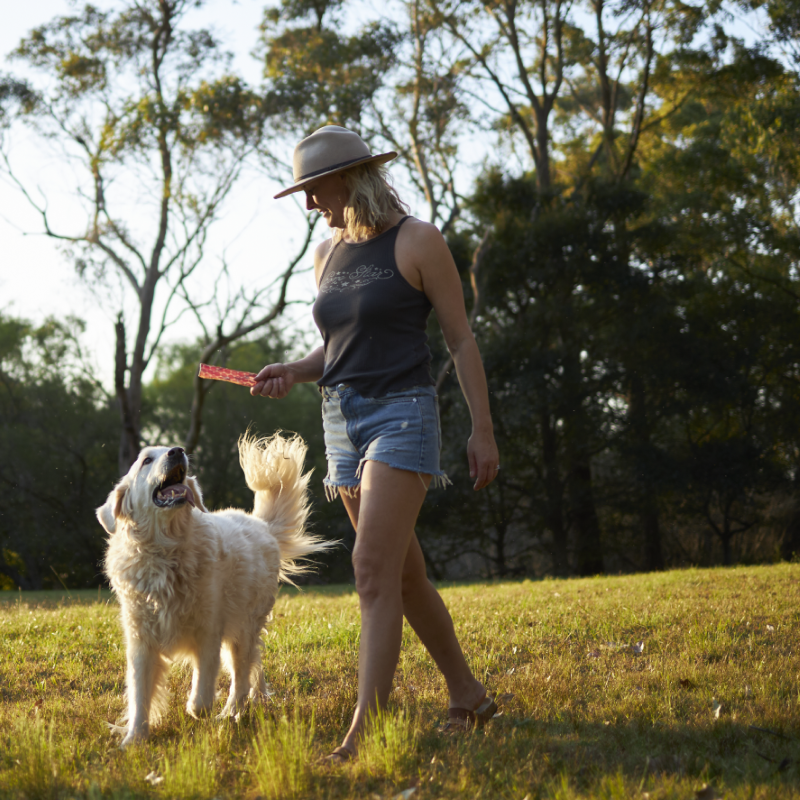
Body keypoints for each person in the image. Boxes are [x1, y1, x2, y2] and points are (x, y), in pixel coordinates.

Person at [251, 125, 500, 762]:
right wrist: (293, 370)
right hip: (341, 423)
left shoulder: (417, 240)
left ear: (352, 178)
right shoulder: (326, 254)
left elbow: (460, 339)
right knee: (403, 576)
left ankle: (365, 732)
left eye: (316, 189)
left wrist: (482, 428)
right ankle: (468, 694)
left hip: (402, 414)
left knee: (369, 569)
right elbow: (336, 348)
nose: (310, 203)